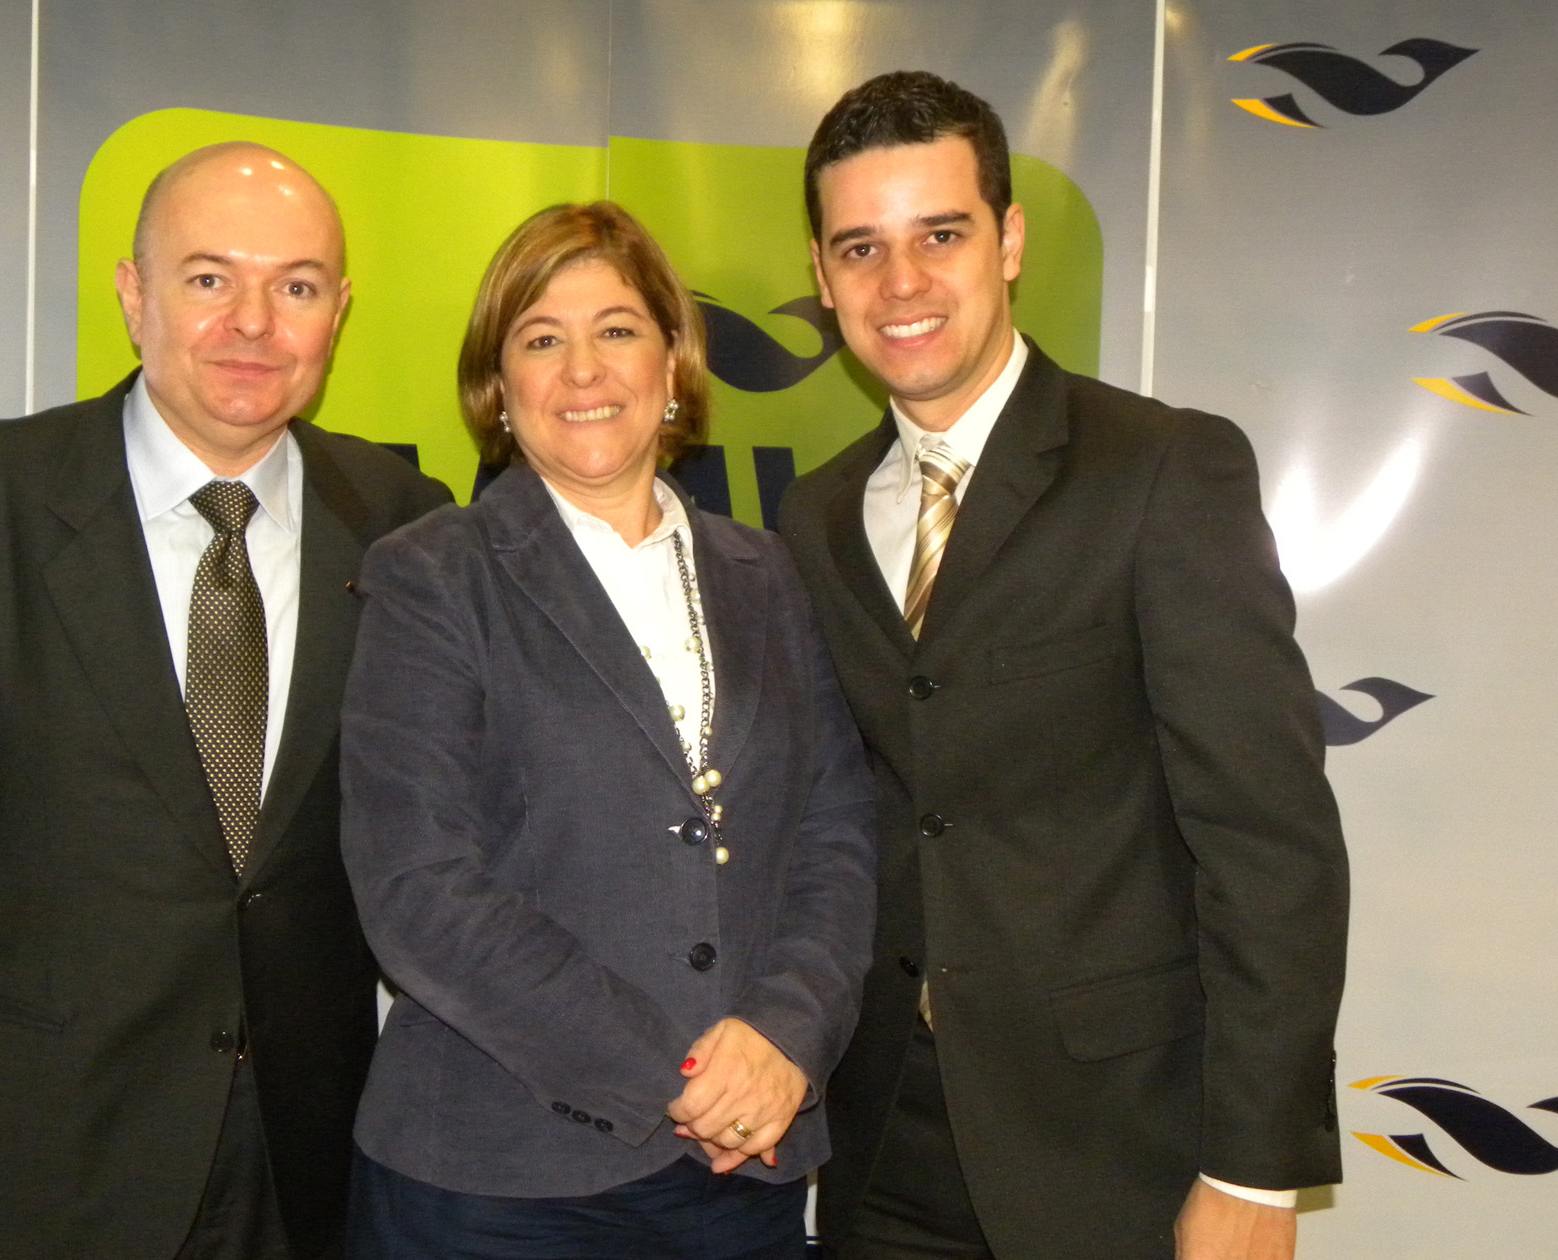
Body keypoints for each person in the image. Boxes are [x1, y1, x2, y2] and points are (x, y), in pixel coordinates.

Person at [0, 142, 451, 1260]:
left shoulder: (405, 520)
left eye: (295, 286)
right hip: (48, 1143)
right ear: (133, 295)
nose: (253, 323)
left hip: (314, 1153)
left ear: (338, 313)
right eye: (209, 278)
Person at [777, 72, 1351, 1260]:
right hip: (883, 1145)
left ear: (1010, 241)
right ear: (824, 279)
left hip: (1118, 1146)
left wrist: (1254, 1168)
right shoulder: (815, 519)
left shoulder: (1162, 470)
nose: (901, 283)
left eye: (941, 235)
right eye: (861, 248)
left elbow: (1268, 841)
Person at [336, 201, 878, 1260]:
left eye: (617, 330)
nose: (583, 370)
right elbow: (418, 886)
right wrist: (678, 1076)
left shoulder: (768, 574)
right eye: (542, 339)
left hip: (744, 1171)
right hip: (499, 1184)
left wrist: (786, 1034)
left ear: (673, 362)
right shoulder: (433, 575)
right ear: (499, 388)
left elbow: (837, 836)